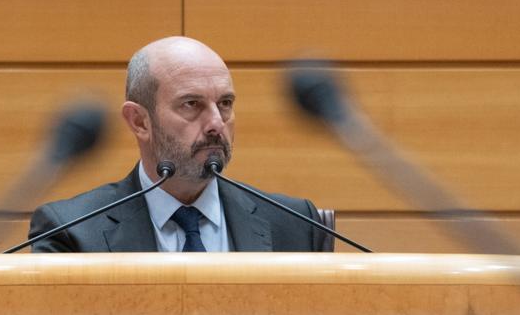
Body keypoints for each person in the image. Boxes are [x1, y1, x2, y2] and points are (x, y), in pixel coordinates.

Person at [27, 36, 330, 252]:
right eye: (191, 104)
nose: (216, 123)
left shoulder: (295, 224)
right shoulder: (71, 233)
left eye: (225, 103)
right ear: (139, 122)